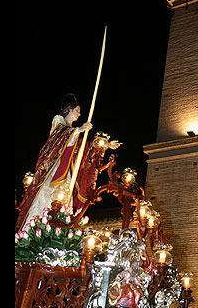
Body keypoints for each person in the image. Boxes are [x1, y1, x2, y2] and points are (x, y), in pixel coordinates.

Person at [15, 93, 120, 231]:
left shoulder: (74, 132)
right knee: (49, 197)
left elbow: (85, 147)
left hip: (67, 172)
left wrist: (105, 145)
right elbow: (59, 135)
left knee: (65, 198)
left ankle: (59, 228)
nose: (79, 114)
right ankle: (36, 228)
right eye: (77, 110)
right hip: (55, 169)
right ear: (68, 110)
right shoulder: (59, 121)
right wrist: (78, 130)